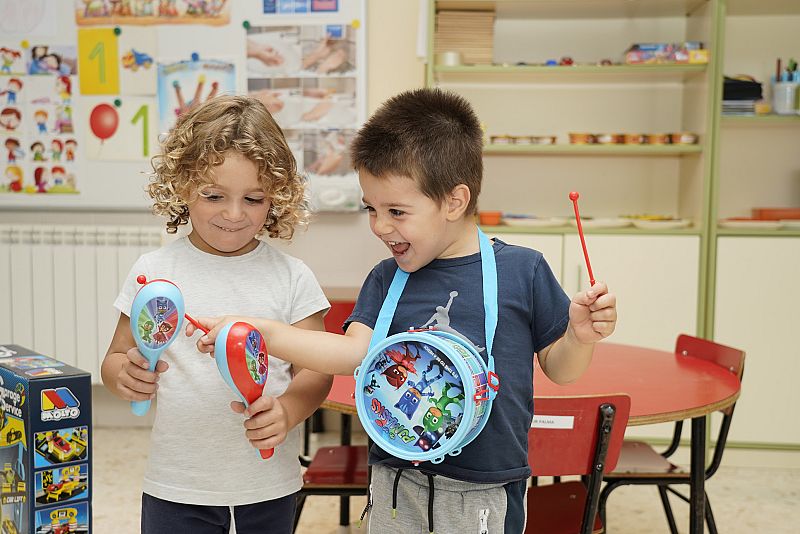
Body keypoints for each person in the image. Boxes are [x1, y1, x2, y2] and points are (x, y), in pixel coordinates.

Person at [190, 88, 617, 533]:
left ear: (454, 201)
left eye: (396, 210)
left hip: (485, 486)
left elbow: (562, 369)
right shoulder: (385, 278)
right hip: (395, 481)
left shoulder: (522, 270)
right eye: (371, 209)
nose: (380, 226)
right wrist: (264, 332)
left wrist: (579, 337)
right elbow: (350, 353)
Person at [101, 95, 332, 534]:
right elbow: (116, 357)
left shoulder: (292, 277)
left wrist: (287, 410)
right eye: (214, 195)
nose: (233, 214)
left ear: (276, 197)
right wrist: (124, 377)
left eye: (253, 198)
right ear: (183, 186)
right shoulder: (153, 272)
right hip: (176, 485)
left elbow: (317, 373)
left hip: (268, 485)